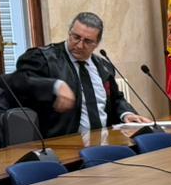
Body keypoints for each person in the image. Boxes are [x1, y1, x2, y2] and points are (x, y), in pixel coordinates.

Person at [10, 11, 150, 136]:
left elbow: (116, 99)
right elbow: (16, 81)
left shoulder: (104, 67)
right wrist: (54, 86)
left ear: (97, 43)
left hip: (104, 141)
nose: (79, 45)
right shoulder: (43, 58)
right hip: (62, 144)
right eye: (76, 37)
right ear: (69, 33)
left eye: (88, 41)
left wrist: (126, 114)